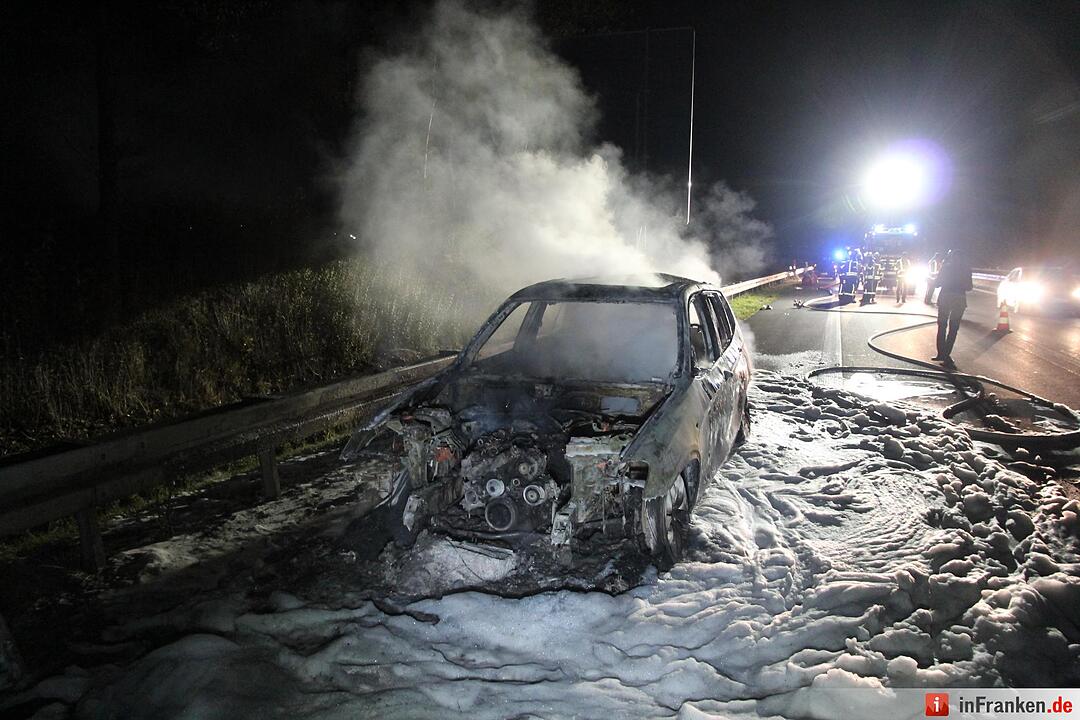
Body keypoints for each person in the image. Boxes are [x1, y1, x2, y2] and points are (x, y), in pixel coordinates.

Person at [932, 248, 973, 367]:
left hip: (945, 298)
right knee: (953, 329)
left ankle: (941, 353)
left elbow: (937, 284)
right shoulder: (966, 269)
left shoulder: (946, 267)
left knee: (942, 326)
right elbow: (969, 287)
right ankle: (946, 355)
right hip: (959, 300)